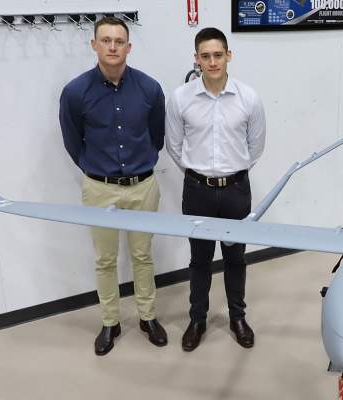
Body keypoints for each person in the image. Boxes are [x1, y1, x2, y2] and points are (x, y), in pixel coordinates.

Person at [59, 16, 168, 356]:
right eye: (105, 40)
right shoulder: (76, 92)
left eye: (118, 41)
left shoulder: (150, 88)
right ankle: (110, 321)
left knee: (142, 256)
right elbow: (73, 142)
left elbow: (157, 137)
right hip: (99, 189)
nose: (112, 46)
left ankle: (147, 317)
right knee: (105, 260)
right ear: (94, 45)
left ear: (128, 47)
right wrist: (98, 172)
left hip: (142, 186)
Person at [165, 27, 266, 351]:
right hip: (197, 190)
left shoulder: (248, 98)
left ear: (228, 56)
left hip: (237, 190)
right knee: (200, 260)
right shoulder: (181, 98)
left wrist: (231, 173)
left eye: (218, 55)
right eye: (205, 56)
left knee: (236, 257)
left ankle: (238, 317)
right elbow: (174, 146)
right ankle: (198, 319)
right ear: (196, 59)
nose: (212, 62)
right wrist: (201, 174)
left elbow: (256, 145)